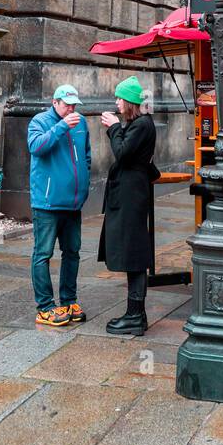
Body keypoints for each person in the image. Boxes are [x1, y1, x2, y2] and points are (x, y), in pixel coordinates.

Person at [99, 76, 159, 337]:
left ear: (129, 102)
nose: (116, 102)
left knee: (133, 254)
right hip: (129, 193)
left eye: (119, 98)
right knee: (131, 252)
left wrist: (113, 128)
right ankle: (137, 314)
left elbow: (122, 153)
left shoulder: (142, 125)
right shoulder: (139, 124)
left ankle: (135, 316)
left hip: (131, 196)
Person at [27, 84, 91, 328]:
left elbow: (86, 155)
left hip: (73, 201)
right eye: (67, 105)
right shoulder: (39, 121)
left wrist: (83, 185)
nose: (71, 109)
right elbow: (36, 147)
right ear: (55, 102)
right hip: (47, 201)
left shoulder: (81, 123)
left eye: (74, 105)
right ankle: (44, 307)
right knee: (43, 253)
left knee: (72, 251)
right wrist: (62, 126)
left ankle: (68, 301)